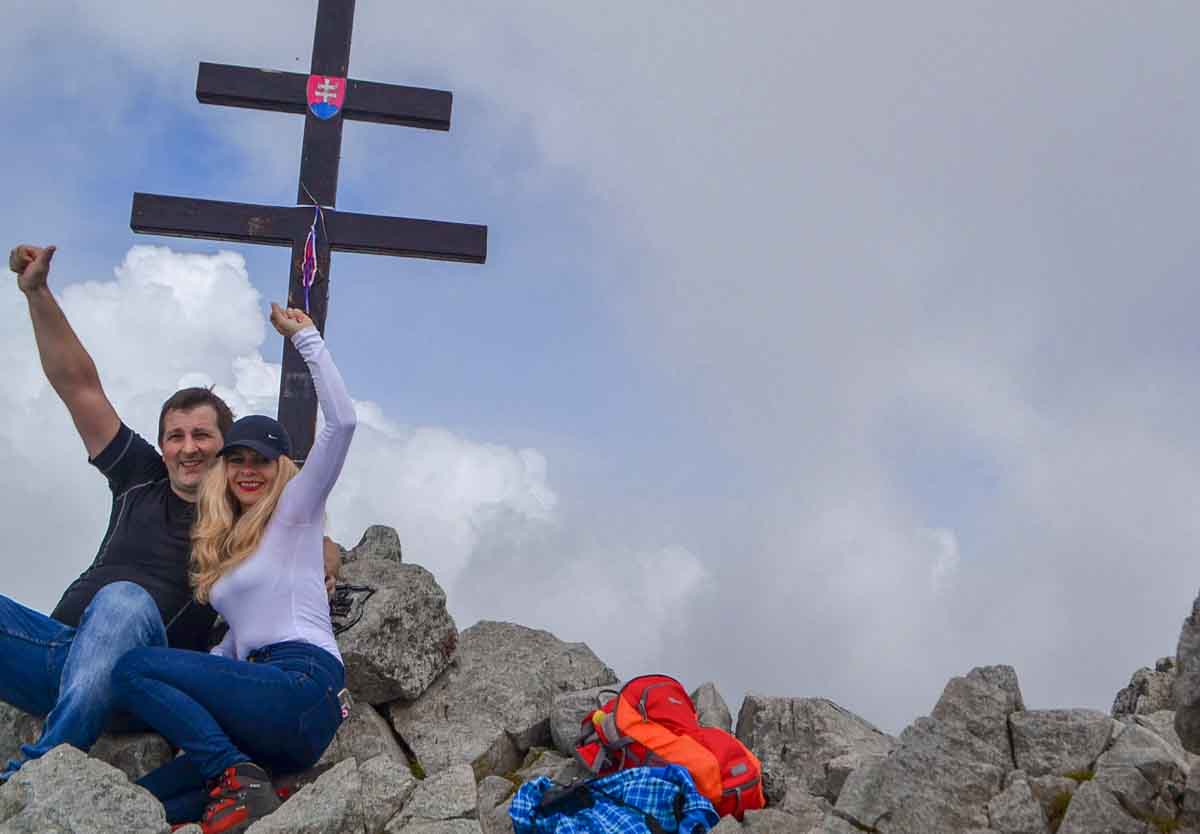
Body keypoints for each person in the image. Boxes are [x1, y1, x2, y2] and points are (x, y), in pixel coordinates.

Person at [112, 303, 356, 833]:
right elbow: (233, 650)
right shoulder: (226, 547)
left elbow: (344, 423)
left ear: (281, 468)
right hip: (269, 714)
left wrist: (307, 340)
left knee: (134, 667)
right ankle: (273, 785)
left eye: (261, 461)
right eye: (238, 460)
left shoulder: (296, 512)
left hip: (303, 681)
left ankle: (234, 775)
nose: (248, 471)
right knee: (145, 801)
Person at [0, 244, 229, 779]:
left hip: (135, 681)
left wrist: (328, 553)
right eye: (175, 436)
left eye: (202, 434)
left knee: (123, 601)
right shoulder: (139, 477)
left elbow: (303, 525)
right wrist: (36, 293)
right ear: (162, 445)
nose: (188, 447)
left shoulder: (244, 516)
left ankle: (44, 770)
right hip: (56, 659)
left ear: (224, 445)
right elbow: (78, 385)